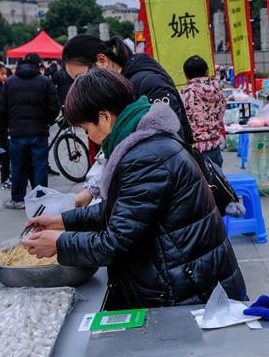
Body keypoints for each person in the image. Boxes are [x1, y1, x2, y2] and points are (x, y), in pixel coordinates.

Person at [23, 69, 246, 309]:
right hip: (188, 279)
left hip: (189, 293)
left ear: (105, 117)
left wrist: (59, 243)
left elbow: (117, 242)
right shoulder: (146, 142)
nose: (90, 137)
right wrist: (61, 221)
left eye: (87, 129)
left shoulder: (145, 157)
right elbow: (122, 212)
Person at [61, 34, 194, 144]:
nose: (80, 85)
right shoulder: (121, 84)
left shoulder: (148, 83)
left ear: (102, 60)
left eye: (81, 77)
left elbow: (171, 143)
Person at [0, 52, 60, 209]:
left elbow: (2, 108)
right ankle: (40, 198)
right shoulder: (45, 82)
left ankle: (18, 198)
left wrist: (9, 124)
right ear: (38, 65)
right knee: (40, 165)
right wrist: (47, 122)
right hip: (38, 131)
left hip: (17, 132)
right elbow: (54, 106)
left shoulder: (10, 82)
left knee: (17, 166)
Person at [180, 55, 227, 166]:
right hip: (215, 147)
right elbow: (222, 110)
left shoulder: (185, 94)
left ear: (186, 75)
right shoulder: (218, 90)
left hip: (195, 150)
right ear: (207, 72)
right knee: (216, 181)